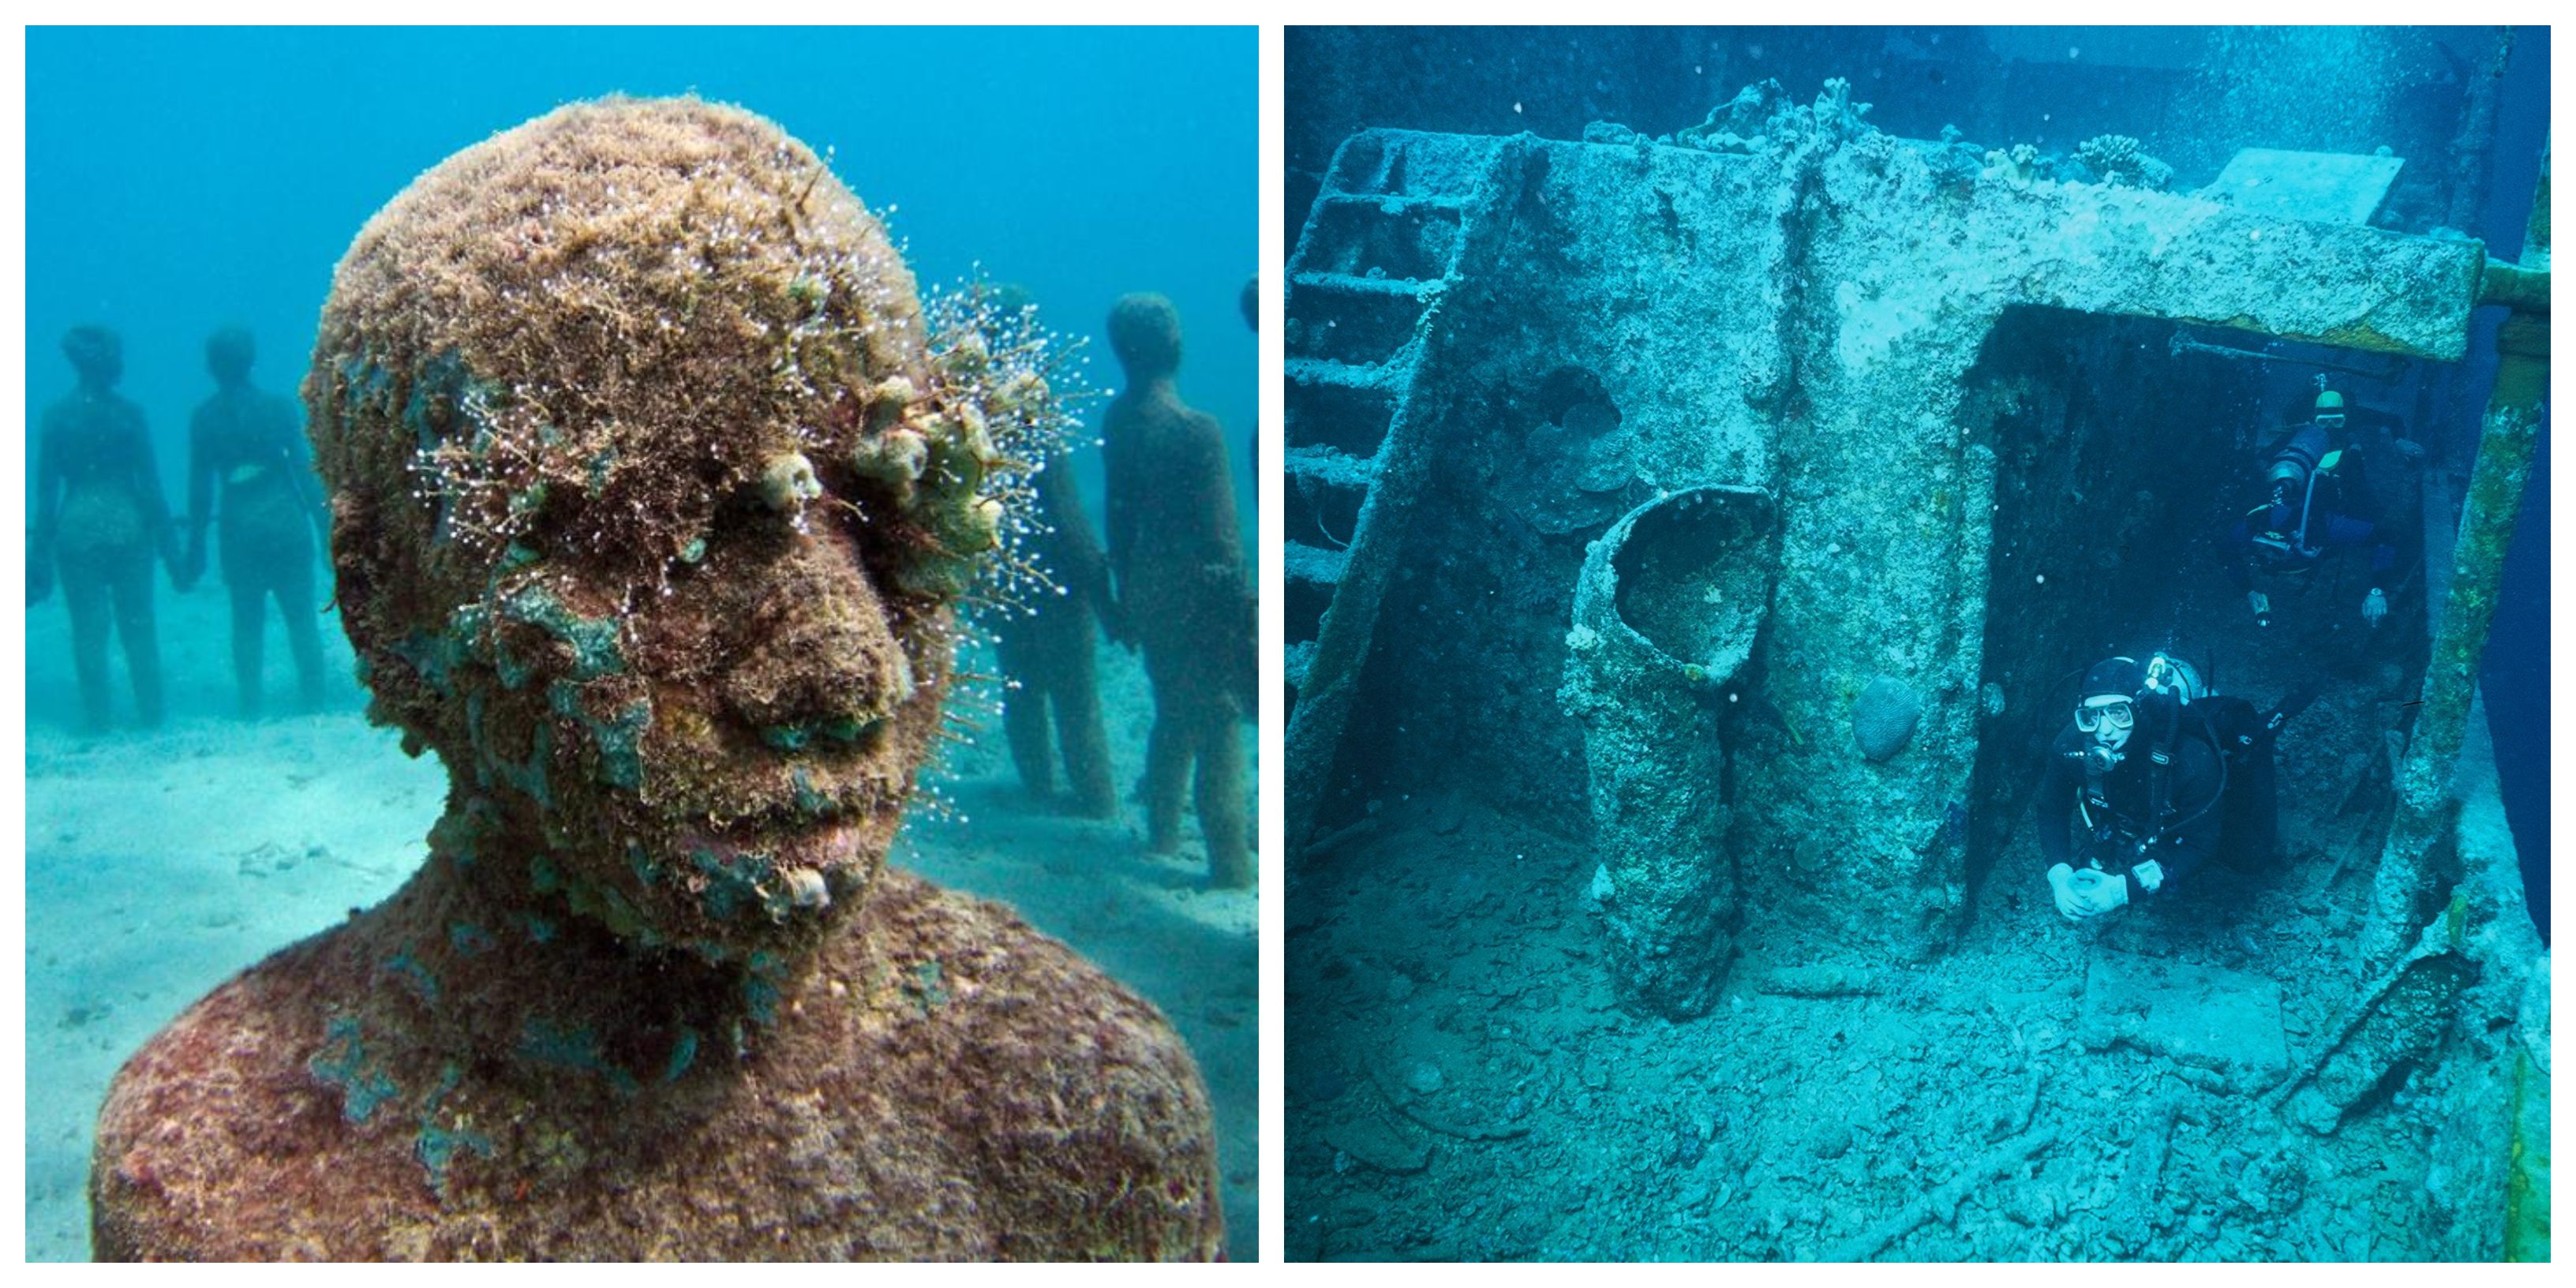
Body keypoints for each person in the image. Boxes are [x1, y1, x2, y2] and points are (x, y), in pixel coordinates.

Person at [90, 97, 1221, 1261]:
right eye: (651, 539)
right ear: (385, 618)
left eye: (900, 509)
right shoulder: (229, 1213)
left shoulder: (1097, 1135)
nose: (848, 672)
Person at [1101, 293, 1254, 889]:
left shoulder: (1117, 420)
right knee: (1218, 724)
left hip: (1147, 588)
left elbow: (1118, 523)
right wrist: (1240, 611)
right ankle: (1231, 868)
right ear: (1172, 345)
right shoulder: (1199, 431)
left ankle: (1162, 833)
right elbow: (1223, 541)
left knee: (1171, 713)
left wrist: (1121, 597)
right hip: (1200, 598)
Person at [2036, 653, 2301, 920]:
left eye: (2119, 713)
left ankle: (2258, 729)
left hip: (2184, 808)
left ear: (2139, 710)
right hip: (2134, 810)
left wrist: (2122, 890)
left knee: (2250, 857)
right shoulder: (2070, 745)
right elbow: (2052, 809)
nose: (2104, 730)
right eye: (2091, 717)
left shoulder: (2191, 759)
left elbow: (2200, 846)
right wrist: (2059, 874)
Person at [31, 324, 179, 731]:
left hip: (76, 530)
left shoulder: (56, 417)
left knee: (88, 631)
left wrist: (37, 559)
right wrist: (172, 552)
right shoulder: (130, 415)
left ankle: (98, 718)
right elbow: (150, 489)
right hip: (128, 527)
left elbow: (46, 498)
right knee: (138, 625)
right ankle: (151, 715)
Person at [178, 325, 331, 717]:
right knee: (300, 617)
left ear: (212, 367)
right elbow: (305, 473)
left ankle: (251, 704)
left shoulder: (205, 418)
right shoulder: (278, 408)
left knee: (246, 619)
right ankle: (314, 698)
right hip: (286, 523)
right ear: (251, 361)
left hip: (239, 530)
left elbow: (201, 490)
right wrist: (324, 529)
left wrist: (195, 546)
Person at [2226, 388, 2421, 631]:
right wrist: (2249, 590)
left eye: (2336, 421)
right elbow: (2225, 544)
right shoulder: (2259, 523)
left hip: (2333, 491)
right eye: (2323, 421)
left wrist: (2376, 590)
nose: (2330, 427)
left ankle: (2353, 457)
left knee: (2362, 496)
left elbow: (2386, 536)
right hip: (2301, 483)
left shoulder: (2325, 528)